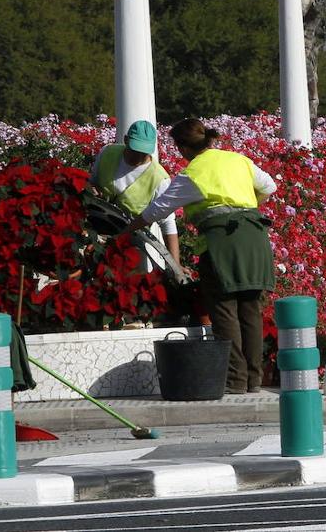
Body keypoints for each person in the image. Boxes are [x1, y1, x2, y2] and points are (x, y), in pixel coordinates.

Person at [135, 118, 277, 395]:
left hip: (223, 243)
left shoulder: (194, 173)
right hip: (256, 239)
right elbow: (269, 186)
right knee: (251, 310)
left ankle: (235, 381)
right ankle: (254, 380)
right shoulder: (238, 160)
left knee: (224, 310)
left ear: (183, 147)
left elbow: (157, 210)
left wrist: (127, 229)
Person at [89, 120, 179, 266]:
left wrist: (175, 264)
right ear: (125, 140)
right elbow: (91, 180)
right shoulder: (108, 152)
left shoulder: (159, 178)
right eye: (135, 149)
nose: (139, 155)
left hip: (129, 246)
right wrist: (92, 188)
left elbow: (167, 222)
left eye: (144, 152)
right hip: (94, 229)